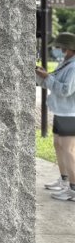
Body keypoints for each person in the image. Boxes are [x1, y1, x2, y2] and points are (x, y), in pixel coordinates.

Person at [37, 32, 75, 202]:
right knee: (58, 146)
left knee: (68, 150)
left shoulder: (73, 67)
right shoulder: (66, 63)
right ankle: (65, 180)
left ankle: (73, 189)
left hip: (70, 114)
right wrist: (42, 76)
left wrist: (47, 78)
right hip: (61, 112)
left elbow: (66, 90)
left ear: (69, 48)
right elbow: (52, 83)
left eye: (61, 46)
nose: (59, 49)